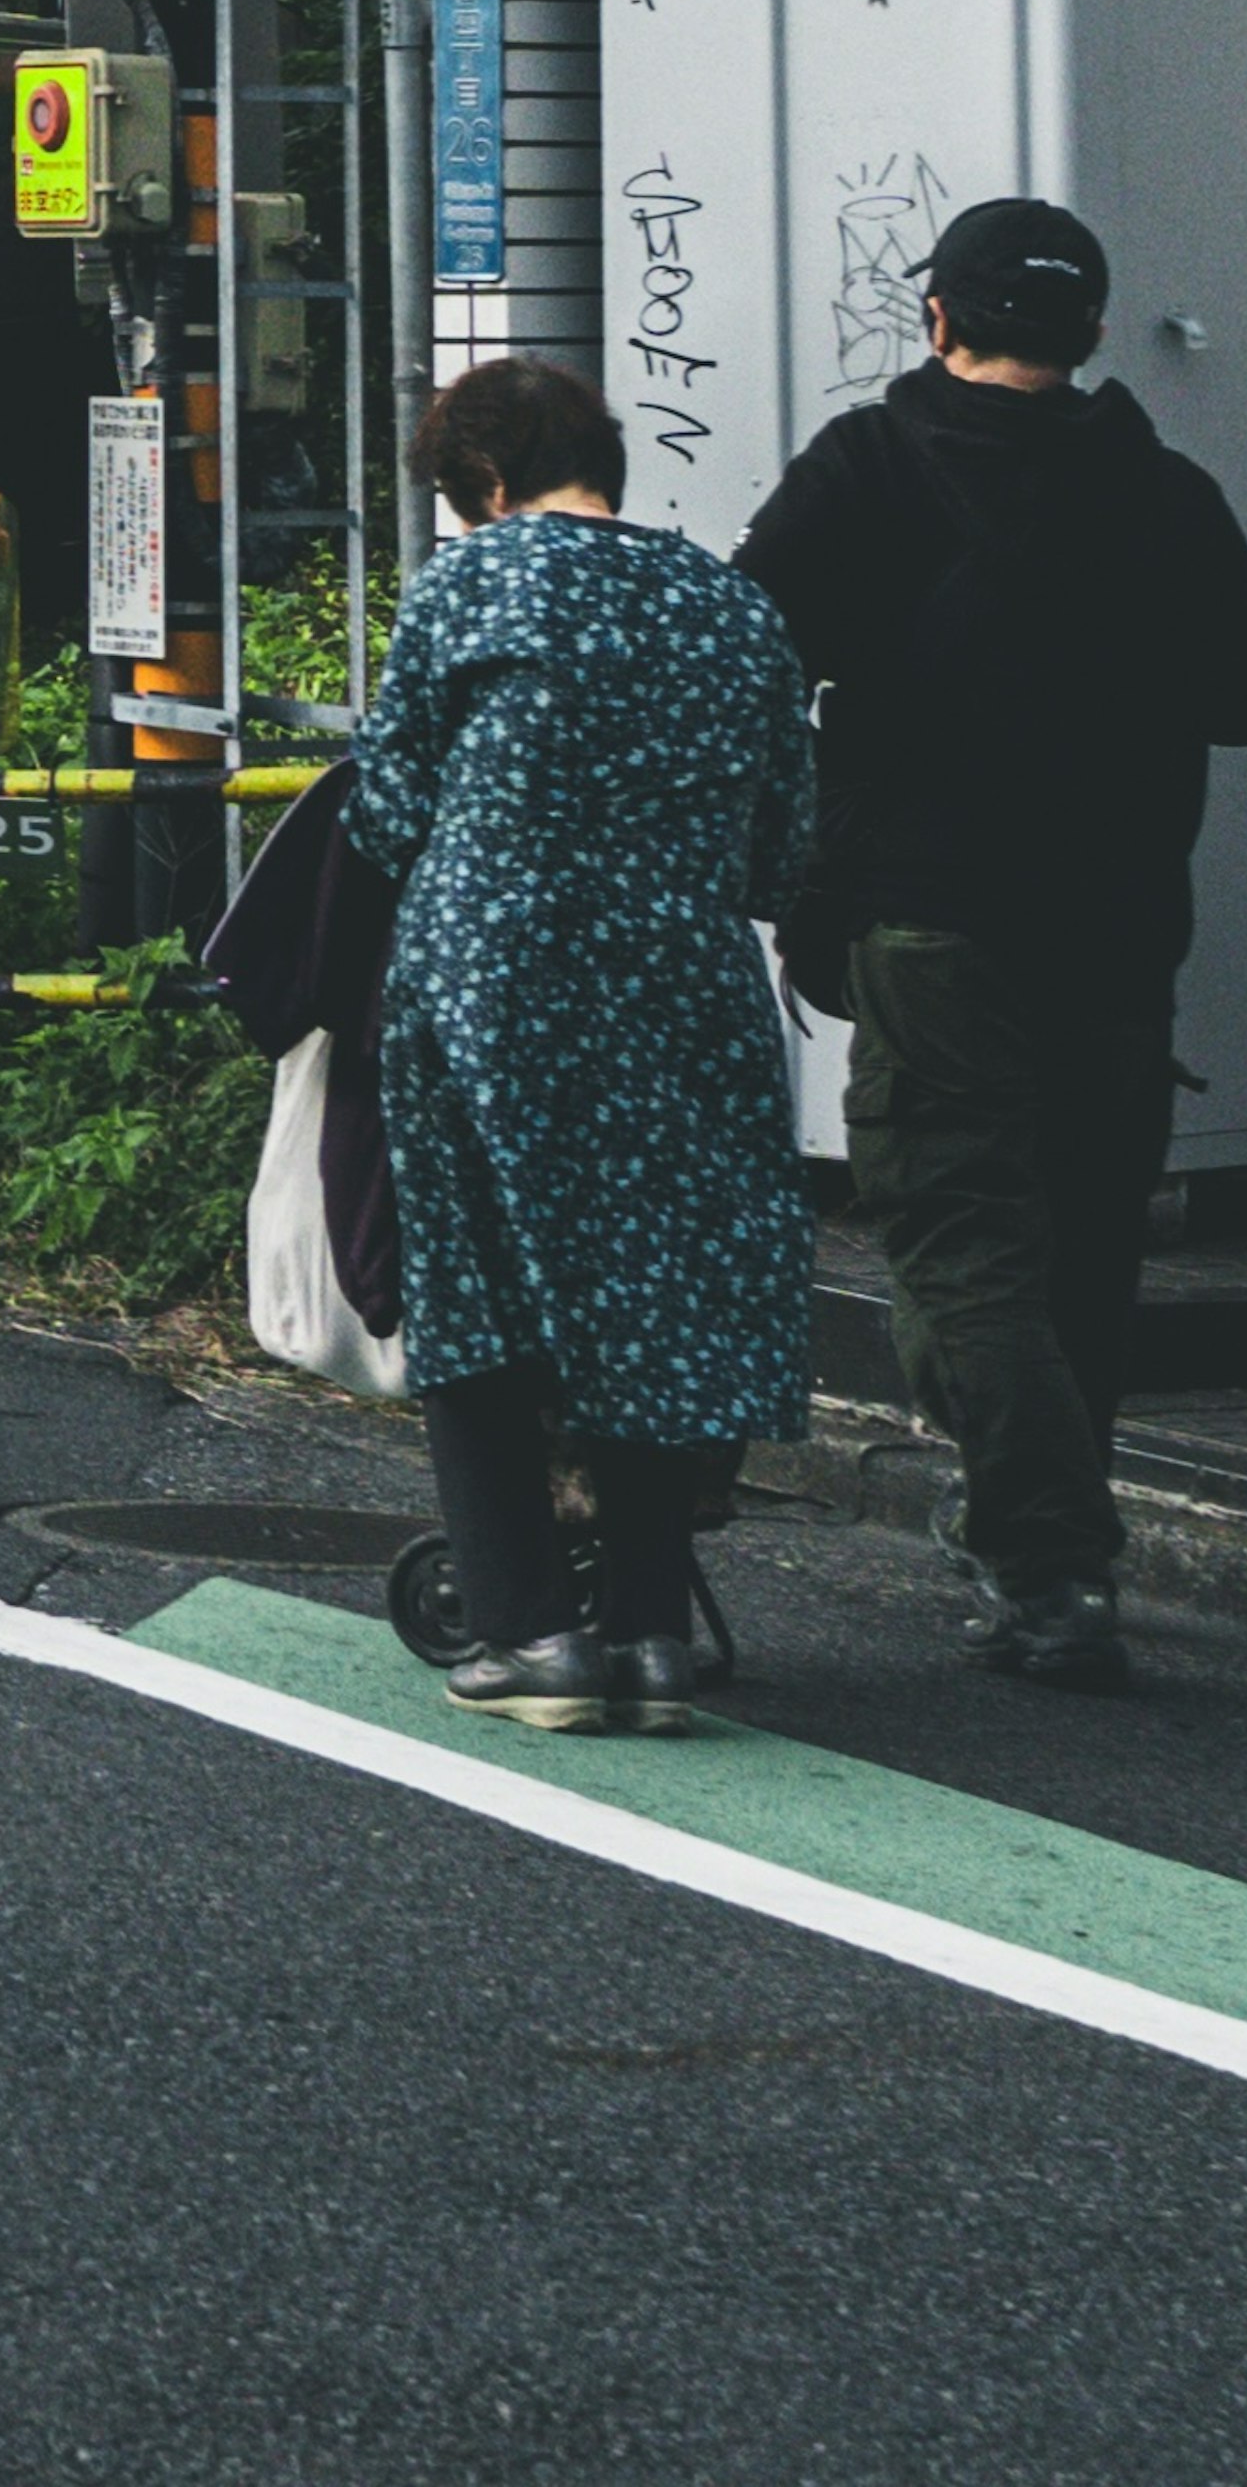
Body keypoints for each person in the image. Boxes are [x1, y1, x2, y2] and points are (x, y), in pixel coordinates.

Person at [735, 197, 1247, 1692]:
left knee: (957, 1242)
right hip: (1120, 928)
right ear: (1095, 334)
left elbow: (746, 647)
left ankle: (1050, 1565)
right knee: (1082, 1255)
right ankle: (1031, 1518)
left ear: (938, 319)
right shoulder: (1160, 492)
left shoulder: (867, 467)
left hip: (931, 925)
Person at [351, 354, 815, 1738]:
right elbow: (783, 851)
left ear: (484, 481)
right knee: (657, 1286)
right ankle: (653, 1637)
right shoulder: (734, 606)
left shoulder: (477, 582)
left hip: (495, 974)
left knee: (481, 1282)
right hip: (688, 980)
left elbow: (387, 811)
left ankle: (528, 1632)